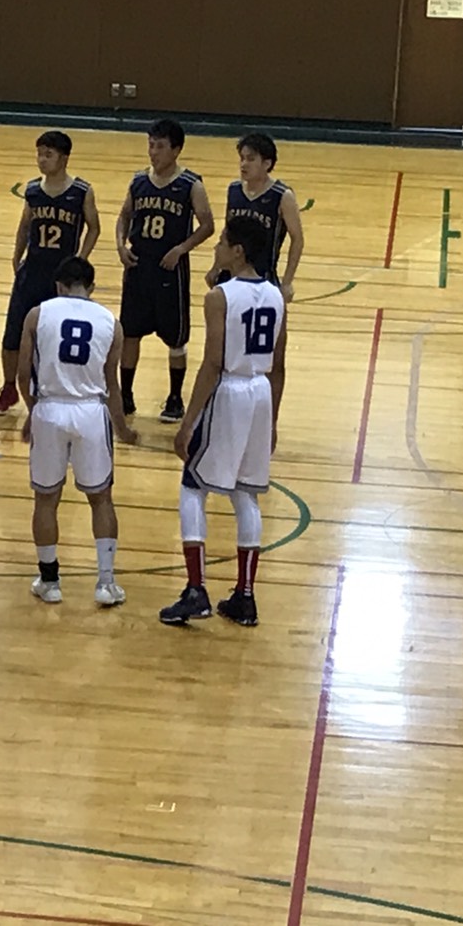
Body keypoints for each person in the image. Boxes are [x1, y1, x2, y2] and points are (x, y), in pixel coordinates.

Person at [159, 216, 285, 628]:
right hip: (261, 392)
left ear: (238, 251)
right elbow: (279, 366)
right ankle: (245, 596)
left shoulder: (219, 297)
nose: (216, 248)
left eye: (222, 243)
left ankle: (196, 590)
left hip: (229, 390)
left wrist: (188, 422)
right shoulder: (277, 295)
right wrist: (272, 421)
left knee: (192, 486)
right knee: (245, 493)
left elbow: (212, 363)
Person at [15, 255, 137, 607]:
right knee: (101, 499)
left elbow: (23, 374)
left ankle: (50, 582)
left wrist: (33, 410)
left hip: (50, 409)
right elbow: (112, 384)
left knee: (46, 499)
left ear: (59, 286)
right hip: (90, 412)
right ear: (91, 287)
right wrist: (123, 428)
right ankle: (106, 583)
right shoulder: (111, 322)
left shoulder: (37, 315)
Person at [0, 130, 100, 417]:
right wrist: (16, 255)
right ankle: (9, 388)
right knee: (13, 333)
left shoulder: (81, 191)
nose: (42, 160)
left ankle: (50, 386)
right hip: (32, 269)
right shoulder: (33, 190)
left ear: (64, 158)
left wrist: (81, 258)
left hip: (61, 275)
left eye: (48, 154)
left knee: (54, 335)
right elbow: (25, 225)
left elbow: (94, 227)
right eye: (39, 154)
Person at [115, 119, 213, 422]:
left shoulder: (191, 184)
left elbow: (207, 225)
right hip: (139, 267)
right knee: (130, 333)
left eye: (159, 146)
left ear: (176, 149)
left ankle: (174, 398)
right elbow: (124, 216)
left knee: (176, 338)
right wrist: (120, 245)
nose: (153, 152)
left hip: (170, 270)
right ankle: (126, 395)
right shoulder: (138, 181)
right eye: (150, 145)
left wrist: (182, 249)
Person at [206, 132, 304, 436]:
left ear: (267, 163)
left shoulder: (282, 196)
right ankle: (221, 411)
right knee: (223, 352)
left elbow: (298, 239)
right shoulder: (234, 190)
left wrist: (287, 282)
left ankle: (269, 421)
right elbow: (228, 234)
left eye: (250, 159)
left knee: (274, 358)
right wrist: (215, 267)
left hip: (265, 283)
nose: (243, 164)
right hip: (233, 282)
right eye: (241, 158)